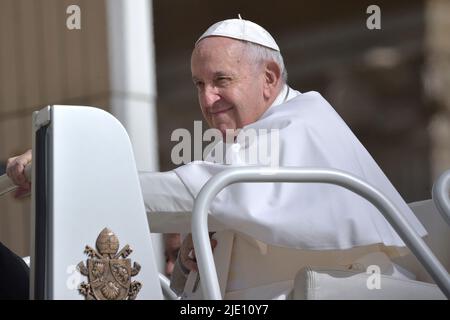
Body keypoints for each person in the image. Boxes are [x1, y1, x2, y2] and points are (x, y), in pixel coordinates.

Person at [5, 17, 427, 299]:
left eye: (221, 80)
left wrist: (63, 170)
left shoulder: (302, 123)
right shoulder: (238, 143)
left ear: (269, 79)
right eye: (199, 83)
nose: (207, 99)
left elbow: (196, 192)